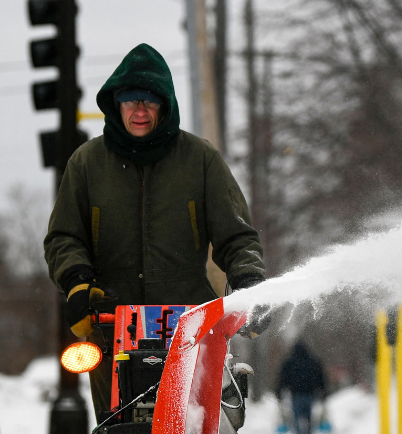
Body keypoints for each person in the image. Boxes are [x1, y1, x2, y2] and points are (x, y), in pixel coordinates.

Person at [44, 43, 266, 415]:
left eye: (149, 100)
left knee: (192, 427)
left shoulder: (200, 160)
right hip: (111, 326)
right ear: (116, 105)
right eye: (131, 100)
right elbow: (64, 236)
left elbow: (237, 234)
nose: (140, 110)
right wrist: (78, 282)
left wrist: (248, 281)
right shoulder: (87, 163)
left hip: (188, 327)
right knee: (118, 431)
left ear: (165, 105)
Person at [278, 341, 327, 434]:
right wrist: (322, 390)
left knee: (296, 416)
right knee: (308, 415)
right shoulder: (313, 361)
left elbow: (283, 378)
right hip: (309, 393)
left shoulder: (290, 362)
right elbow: (320, 377)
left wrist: (280, 390)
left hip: (296, 394)